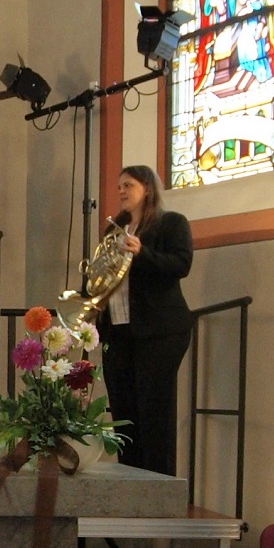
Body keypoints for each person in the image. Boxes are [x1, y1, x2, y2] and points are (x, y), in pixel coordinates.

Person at [97, 165, 193, 477]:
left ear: (147, 189)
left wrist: (142, 253)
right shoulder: (114, 231)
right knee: (124, 414)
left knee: (154, 413)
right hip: (119, 331)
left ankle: (159, 490)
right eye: (119, 186)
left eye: (129, 185)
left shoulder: (170, 223)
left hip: (159, 331)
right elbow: (104, 277)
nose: (121, 191)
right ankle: (131, 484)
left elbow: (181, 264)